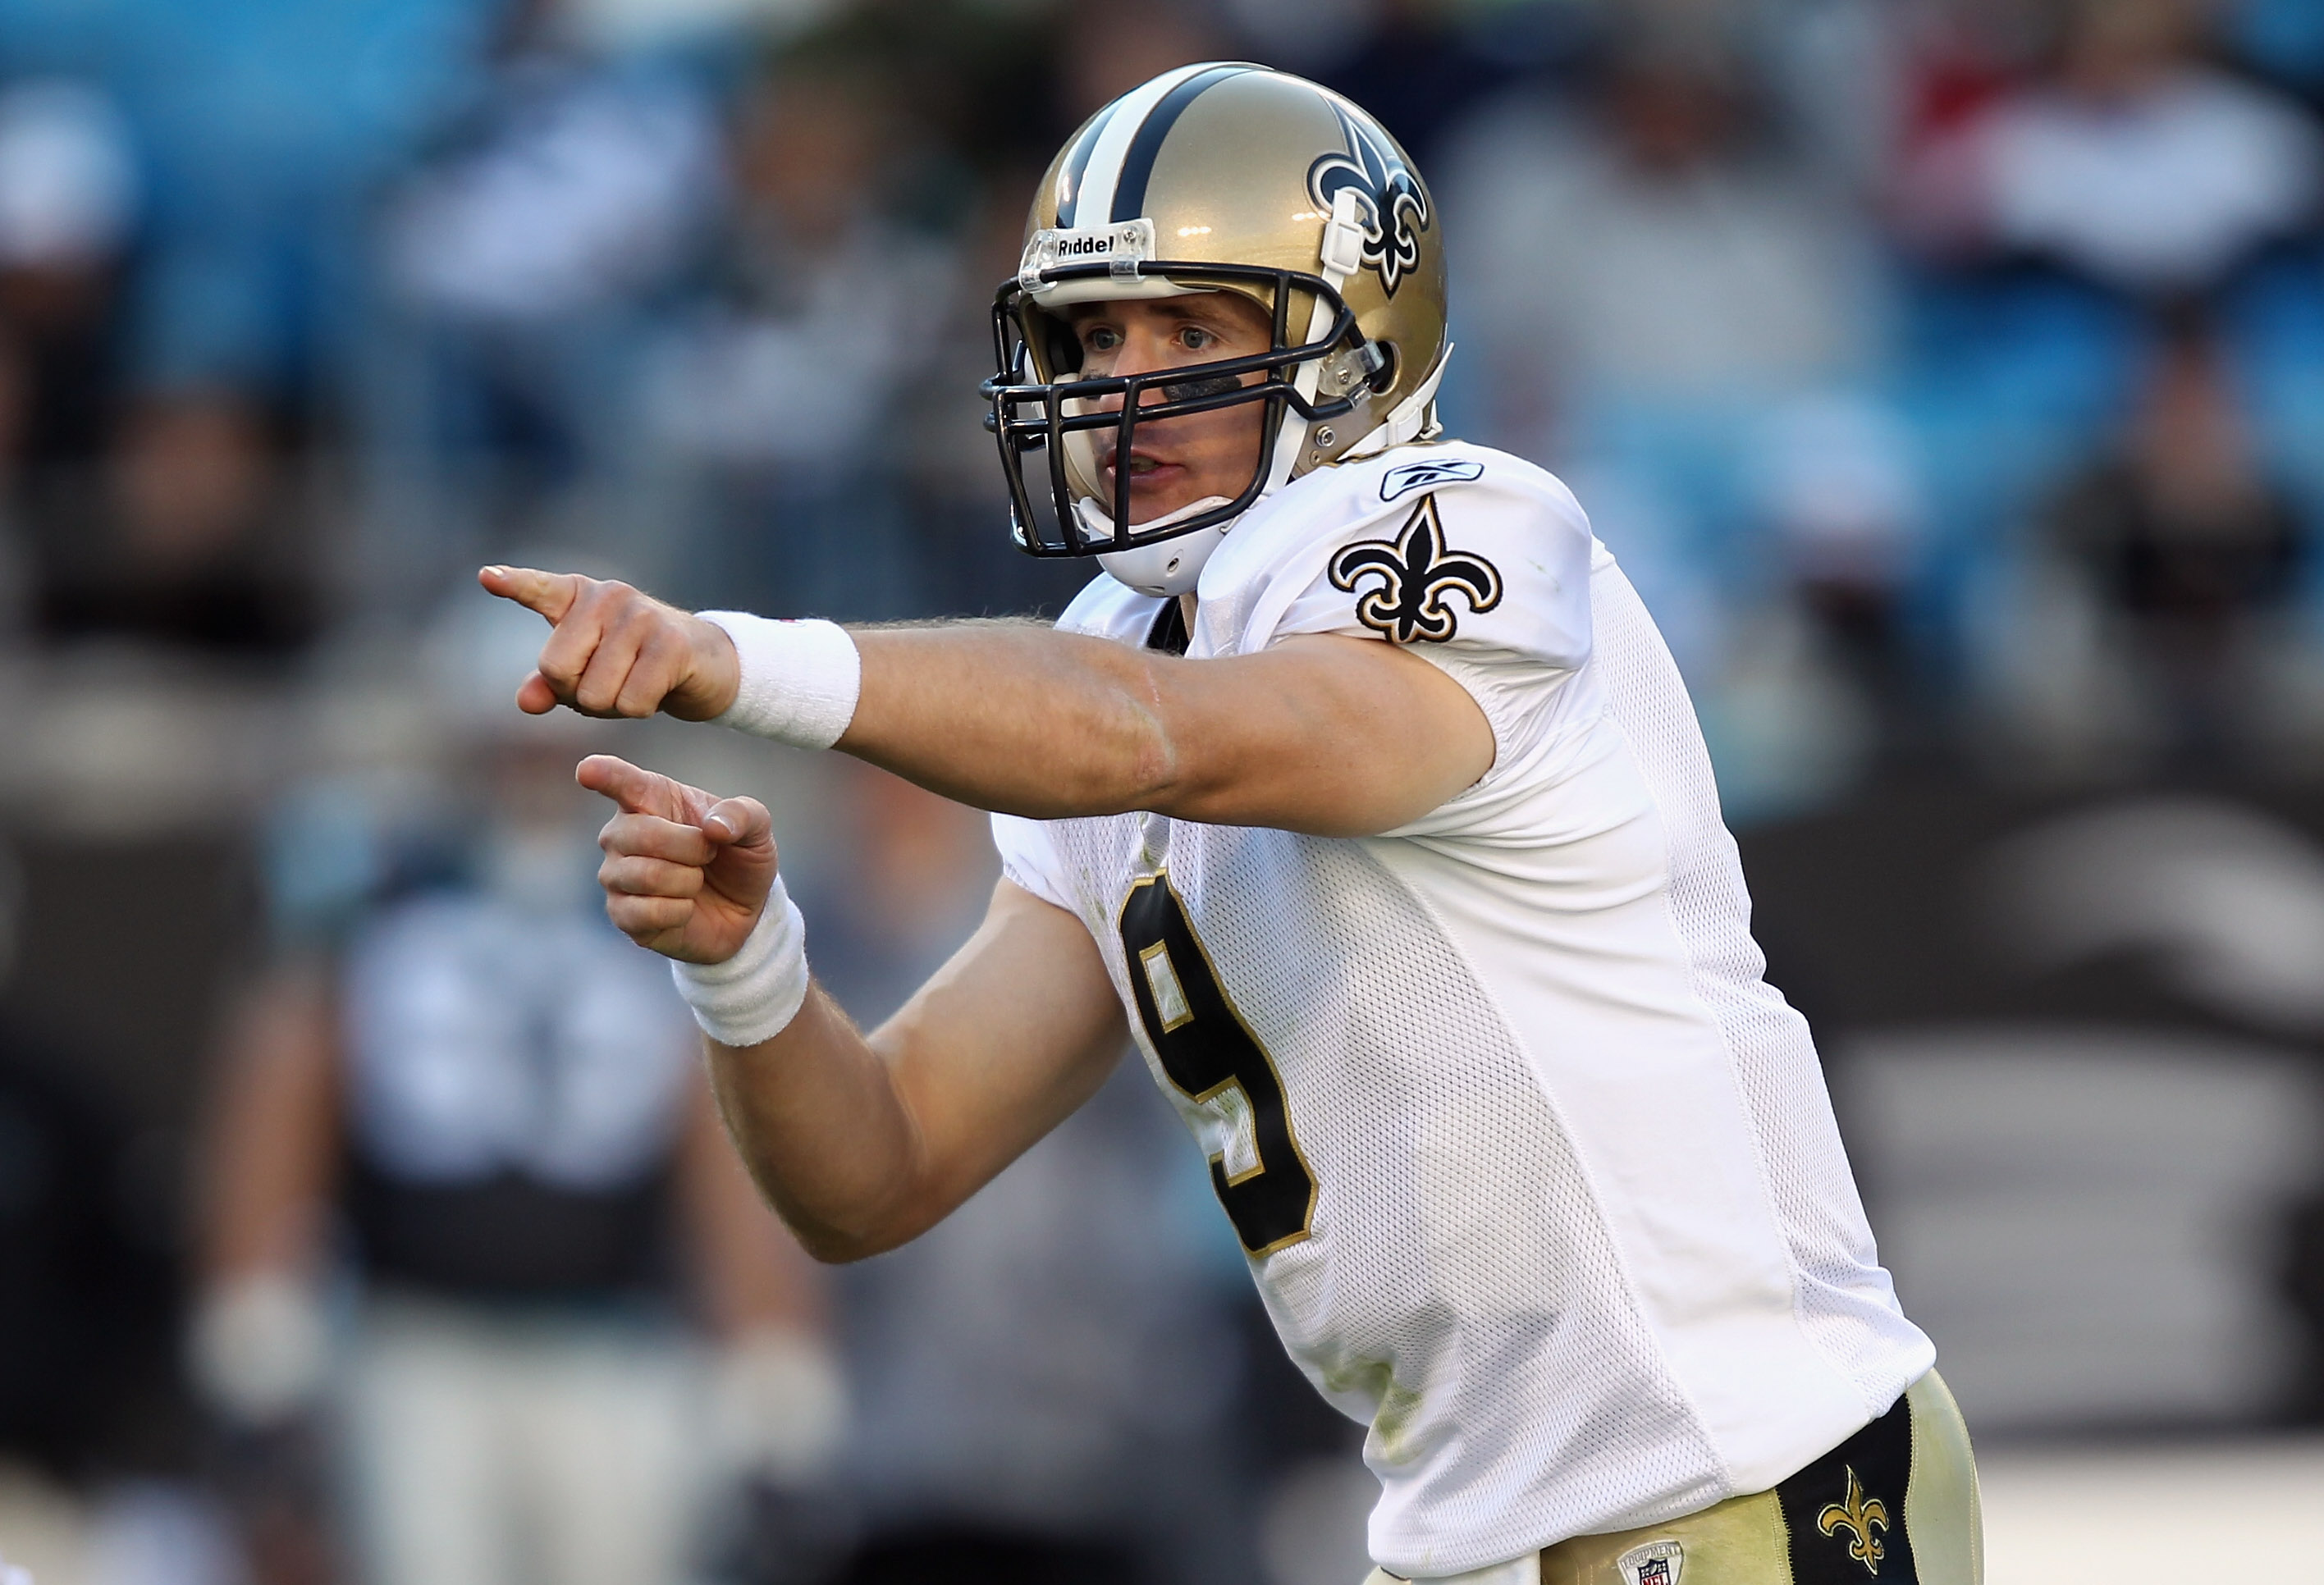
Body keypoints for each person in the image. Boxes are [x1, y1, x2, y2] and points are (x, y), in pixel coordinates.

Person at [483, 64, 1981, 1585]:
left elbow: (1158, 741)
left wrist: (746, 660)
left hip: (1734, 1472)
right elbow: (882, 1169)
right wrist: (747, 968)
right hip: (1478, 1525)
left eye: (1193, 329)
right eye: (1093, 335)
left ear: (1354, 344)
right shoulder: (1114, 655)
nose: (1127, 386)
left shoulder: (1466, 519)